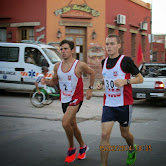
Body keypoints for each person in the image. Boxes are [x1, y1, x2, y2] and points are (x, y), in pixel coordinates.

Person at [96, 34, 144, 166]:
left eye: (112, 44)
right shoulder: (103, 62)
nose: (109, 47)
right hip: (108, 104)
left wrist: (126, 81)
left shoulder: (125, 61)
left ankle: (131, 148)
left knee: (125, 134)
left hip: (124, 104)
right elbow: (106, 77)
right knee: (105, 135)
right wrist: (101, 83)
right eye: (107, 44)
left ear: (119, 45)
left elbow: (140, 78)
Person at [45, 39, 95, 163]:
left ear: (72, 50)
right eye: (61, 49)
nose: (63, 51)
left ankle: (72, 148)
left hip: (76, 98)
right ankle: (83, 147)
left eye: (66, 48)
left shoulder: (79, 65)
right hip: (64, 99)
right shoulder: (57, 66)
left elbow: (92, 73)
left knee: (65, 123)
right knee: (72, 125)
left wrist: (90, 89)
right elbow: (54, 82)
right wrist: (45, 82)